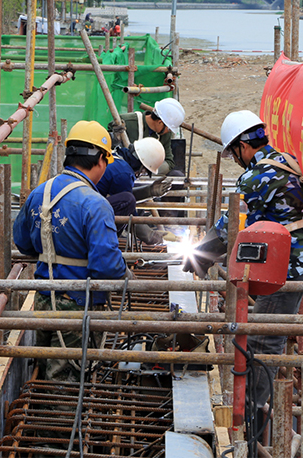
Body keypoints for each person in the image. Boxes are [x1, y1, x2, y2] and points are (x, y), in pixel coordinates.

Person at [183, 110, 303, 433]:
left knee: (262, 341)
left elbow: (231, 226)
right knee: (265, 334)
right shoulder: (288, 160)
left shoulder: (257, 177)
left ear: (244, 146)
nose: (236, 160)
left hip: (286, 268)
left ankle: (250, 419)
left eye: (234, 154)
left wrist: (198, 257)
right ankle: (253, 411)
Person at [13, 120, 129, 381]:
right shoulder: (95, 204)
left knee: (42, 370)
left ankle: (42, 405)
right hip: (77, 305)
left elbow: (22, 242)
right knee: (67, 383)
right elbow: (106, 266)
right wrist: (125, 273)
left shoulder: (39, 193)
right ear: (101, 159)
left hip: (44, 300)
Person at [96, 137, 173, 244]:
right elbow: (127, 207)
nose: (142, 174)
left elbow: (121, 195)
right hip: (90, 216)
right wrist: (150, 235)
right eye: (145, 171)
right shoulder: (124, 173)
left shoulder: (117, 157)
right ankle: (106, 243)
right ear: (142, 165)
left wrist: (149, 191)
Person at [108, 98, 186, 175]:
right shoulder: (125, 123)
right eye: (169, 129)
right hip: (121, 172)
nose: (169, 132)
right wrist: (115, 139)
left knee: (177, 174)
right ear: (160, 122)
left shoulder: (163, 134)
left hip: (146, 176)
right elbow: (106, 150)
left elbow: (169, 161)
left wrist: (147, 170)